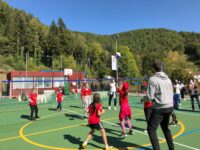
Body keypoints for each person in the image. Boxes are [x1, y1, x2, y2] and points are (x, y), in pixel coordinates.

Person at [144, 60, 174, 150]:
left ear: (153, 68)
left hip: (160, 108)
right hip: (169, 106)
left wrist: (143, 99)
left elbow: (149, 97)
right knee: (165, 128)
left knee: (151, 130)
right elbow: (171, 93)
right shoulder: (168, 79)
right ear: (161, 67)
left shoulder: (153, 79)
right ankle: (171, 148)